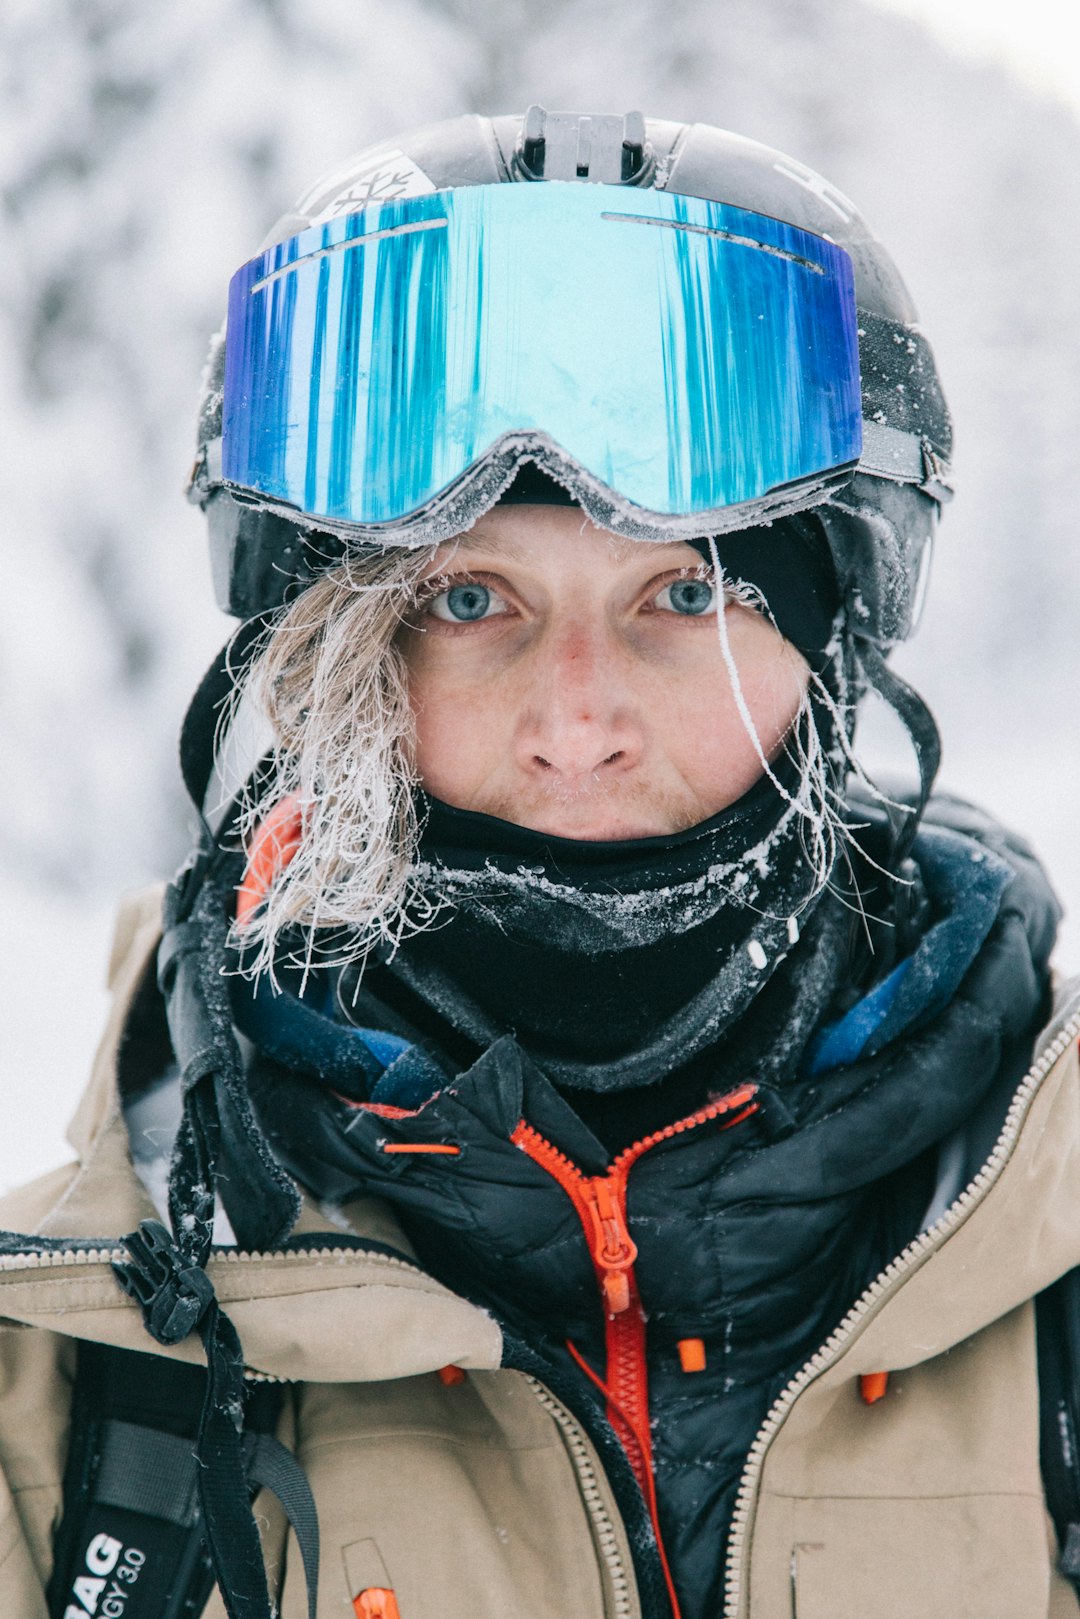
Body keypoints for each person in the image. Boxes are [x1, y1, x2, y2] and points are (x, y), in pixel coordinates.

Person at [0, 105, 1076, 1619]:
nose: (579, 725)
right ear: (336, 659)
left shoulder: (1056, 1242)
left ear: (833, 651)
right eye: (468, 605)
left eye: (689, 591)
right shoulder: (68, 1371)